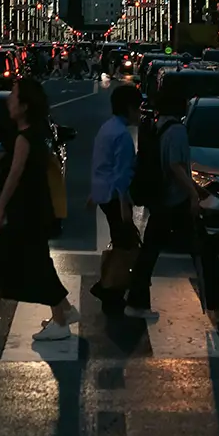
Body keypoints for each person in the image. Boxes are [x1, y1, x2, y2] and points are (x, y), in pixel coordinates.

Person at [0, 75, 77, 344]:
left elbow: (15, 175)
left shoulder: (26, 137)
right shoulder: (26, 132)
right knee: (26, 261)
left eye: (13, 95)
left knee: (17, 260)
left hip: (27, 210)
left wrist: (0, 210)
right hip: (32, 209)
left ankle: (55, 319)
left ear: (24, 106)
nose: (8, 100)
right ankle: (60, 313)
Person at [124, 94, 219, 320]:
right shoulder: (177, 130)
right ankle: (217, 301)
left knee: (150, 252)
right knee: (205, 251)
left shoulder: (156, 126)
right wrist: (192, 194)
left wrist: (195, 189)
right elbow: (175, 166)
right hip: (176, 201)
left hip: (160, 199)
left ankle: (136, 301)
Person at [88, 82, 139, 314]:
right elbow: (121, 174)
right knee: (125, 245)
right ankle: (108, 288)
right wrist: (124, 204)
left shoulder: (106, 129)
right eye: (137, 108)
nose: (139, 113)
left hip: (104, 195)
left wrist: (93, 194)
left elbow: (101, 164)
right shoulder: (123, 136)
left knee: (121, 242)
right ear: (129, 108)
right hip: (114, 197)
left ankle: (108, 287)